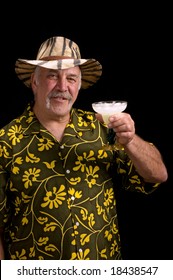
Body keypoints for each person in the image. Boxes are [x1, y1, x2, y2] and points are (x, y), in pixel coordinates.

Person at [0, 36, 168, 260]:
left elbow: (158, 175)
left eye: (71, 78)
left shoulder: (102, 128)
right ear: (35, 81)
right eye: (52, 76)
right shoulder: (6, 140)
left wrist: (130, 141)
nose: (62, 87)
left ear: (78, 85)